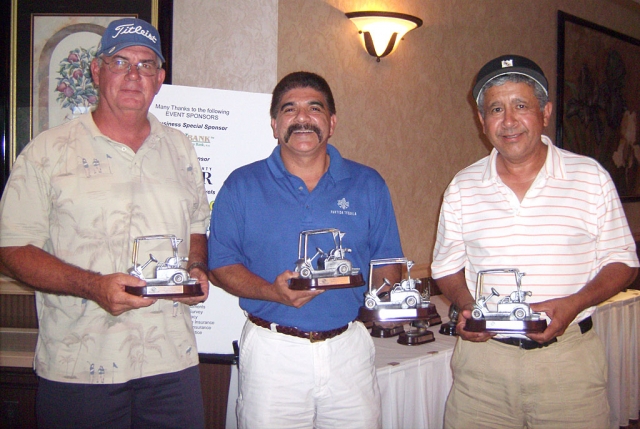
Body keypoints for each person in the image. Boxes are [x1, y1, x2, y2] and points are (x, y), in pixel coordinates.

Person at [0, 18, 209, 429]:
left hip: (171, 364)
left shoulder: (181, 148)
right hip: (80, 367)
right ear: (97, 71)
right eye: (120, 61)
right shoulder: (47, 152)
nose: (135, 75)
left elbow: (196, 226)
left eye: (147, 64)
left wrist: (196, 268)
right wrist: (93, 286)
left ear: (160, 77)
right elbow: (11, 251)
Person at [431, 54, 639, 429]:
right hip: (483, 369)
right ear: (482, 121)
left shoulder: (589, 178)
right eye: (496, 109)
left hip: (568, 365)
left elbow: (623, 261)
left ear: (544, 112)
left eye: (520, 106)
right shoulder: (463, 186)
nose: (508, 121)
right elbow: (446, 267)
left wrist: (574, 303)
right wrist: (467, 307)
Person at [208, 71, 403, 429]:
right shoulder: (241, 184)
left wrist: (386, 298)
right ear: (274, 123)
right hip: (272, 351)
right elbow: (220, 263)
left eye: (314, 108)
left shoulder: (368, 183)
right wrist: (271, 292)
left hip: (348, 349)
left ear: (331, 122)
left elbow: (388, 262)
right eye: (289, 109)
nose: (302, 118)